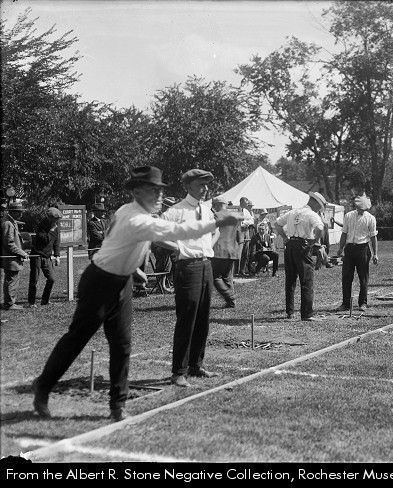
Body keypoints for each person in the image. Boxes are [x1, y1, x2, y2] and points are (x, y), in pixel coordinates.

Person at [32, 166, 241, 421]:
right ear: (137, 192)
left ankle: (117, 405)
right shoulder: (137, 218)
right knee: (77, 338)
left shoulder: (130, 211)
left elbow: (116, 241)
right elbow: (178, 232)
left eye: (160, 190)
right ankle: (43, 386)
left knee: (122, 345)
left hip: (121, 282)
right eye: (153, 190)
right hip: (99, 282)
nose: (159, 195)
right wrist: (219, 221)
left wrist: (132, 269)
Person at [159, 169, 221, 388]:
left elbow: (216, 231)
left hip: (206, 265)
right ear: (188, 187)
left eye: (206, 184)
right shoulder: (176, 211)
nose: (205, 188)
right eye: (200, 184)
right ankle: (179, 371)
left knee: (203, 318)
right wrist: (180, 249)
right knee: (187, 319)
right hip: (188, 267)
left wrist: (207, 248)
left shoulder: (206, 209)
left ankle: (196, 364)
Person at [274, 191, 327, 321]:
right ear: (316, 204)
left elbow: (277, 224)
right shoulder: (311, 214)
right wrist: (314, 241)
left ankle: (290, 312)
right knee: (307, 280)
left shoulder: (292, 212)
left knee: (290, 280)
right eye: (319, 207)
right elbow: (320, 228)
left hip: (290, 246)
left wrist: (285, 237)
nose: (318, 210)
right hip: (303, 246)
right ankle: (307, 314)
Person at [336, 194, 379, 312]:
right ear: (356, 206)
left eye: (364, 209)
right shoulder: (348, 216)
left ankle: (362, 303)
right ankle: (345, 304)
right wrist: (341, 248)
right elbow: (344, 233)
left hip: (363, 249)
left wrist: (375, 254)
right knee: (346, 277)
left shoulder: (370, 218)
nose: (361, 210)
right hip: (349, 249)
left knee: (363, 277)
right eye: (360, 208)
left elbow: (373, 237)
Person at [210, 196, 243, 308]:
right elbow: (238, 234)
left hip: (220, 250)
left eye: (213, 205)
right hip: (232, 250)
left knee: (213, 276)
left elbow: (213, 232)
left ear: (217, 205)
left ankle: (230, 296)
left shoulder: (216, 215)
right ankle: (231, 302)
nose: (213, 207)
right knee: (227, 276)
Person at [26, 207, 62, 308]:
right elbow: (45, 239)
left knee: (52, 278)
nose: (56, 221)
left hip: (47, 256)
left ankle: (44, 300)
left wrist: (57, 255)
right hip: (37, 255)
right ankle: (31, 302)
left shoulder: (55, 226)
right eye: (55, 219)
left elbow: (56, 242)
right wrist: (51, 230)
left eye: (58, 219)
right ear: (49, 217)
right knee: (34, 279)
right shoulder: (41, 226)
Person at [1, 201, 30, 310]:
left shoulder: (10, 221)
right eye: (18, 212)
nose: (20, 214)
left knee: (11, 279)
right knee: (11, 280)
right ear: (12, 212)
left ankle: (9, 302)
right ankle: (9, 303)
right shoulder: (8, 223)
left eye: (21, 212)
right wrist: (22, 253)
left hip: (12, 257)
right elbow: (9, 243)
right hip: (11, 258)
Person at [237, 196, 255, 277]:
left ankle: (242, 270)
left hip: (246, 231)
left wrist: (244, 223)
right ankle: (236, 270)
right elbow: (237, 222)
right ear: (241, 202)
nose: (247, 204)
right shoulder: (236, 210)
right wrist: (244, 223)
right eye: (246, 203)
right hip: (239, 231)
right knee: (239, 252)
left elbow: (252, 221)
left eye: (248, 203)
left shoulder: (246, 211)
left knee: (245, 251)